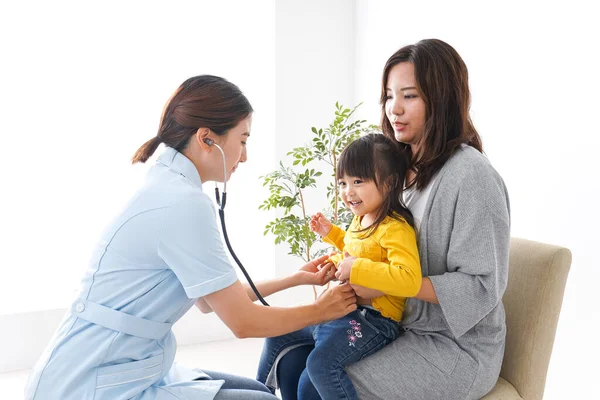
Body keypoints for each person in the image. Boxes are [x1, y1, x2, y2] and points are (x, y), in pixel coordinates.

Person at [24, 75, 357, 400]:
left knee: (257, 391)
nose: (244, 156)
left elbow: (209, 302)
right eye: (242, 140)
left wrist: (295, 279)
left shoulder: (169, 187)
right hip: (88, 383)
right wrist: (320, 310)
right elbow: (241, 322)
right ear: (206, 138)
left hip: (114, 367)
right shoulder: (183, 204)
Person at [264, 39, 511, 400]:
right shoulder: (397, 169)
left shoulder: (472, 176)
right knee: (292, 358)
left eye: (409, 96)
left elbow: (481, 287)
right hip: (392, 323)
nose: (394, 109)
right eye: (389, 96)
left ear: (442, 100)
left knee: (313, 383)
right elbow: (374, 243)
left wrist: (383, 281)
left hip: (454, 347)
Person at [256, 134, 422, 399]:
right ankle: (258, 394)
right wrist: (331, 235)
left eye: (358, 181)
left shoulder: (396, 228)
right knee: (277, 334)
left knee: (320, 365)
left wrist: (355, 268)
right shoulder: (361, 219)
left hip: (374, 322)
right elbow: (354, 248)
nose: (348, 191)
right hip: (343, 310)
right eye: (343, 183)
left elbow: (409, 279)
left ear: (389, 183)